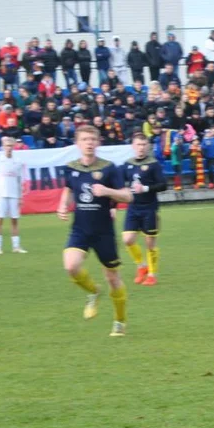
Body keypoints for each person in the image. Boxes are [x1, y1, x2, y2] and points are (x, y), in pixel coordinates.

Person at [57, 125, 132, 337]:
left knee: (113, 278)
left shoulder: (110, 168)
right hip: (80, 229)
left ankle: (120, 321)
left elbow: (128, 196)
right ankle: (93, 292)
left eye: (92, 139)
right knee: (71, 266)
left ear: (98, 142)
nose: (89, 142)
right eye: (85, 139)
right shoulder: (71, 168)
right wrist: (63, 205)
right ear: (77, 143)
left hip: (103, 232)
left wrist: (107, 191)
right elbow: (69, 189)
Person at [120, 132, 168, 286]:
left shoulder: (154, 164)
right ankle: (141, 266)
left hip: (149, 208)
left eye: (143, 145)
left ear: (148, 146)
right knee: (127, 240)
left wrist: (145, 188)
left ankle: (152, 274)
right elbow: (119, 184)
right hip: (133, 208)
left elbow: (163, 185)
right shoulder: (127, 164)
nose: (141, 148)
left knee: (150, 243)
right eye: (138, 145)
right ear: (133, 147)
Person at [0, 136, 27, 254]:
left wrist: (20, 196)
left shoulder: (18, 162)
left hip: (14, 194)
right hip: (1, 194)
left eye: (10, 146)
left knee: (14, 220)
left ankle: (16, 246)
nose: (8, 148)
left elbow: (20, 180)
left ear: (13, 147)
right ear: (3, 147)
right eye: (6, 146)